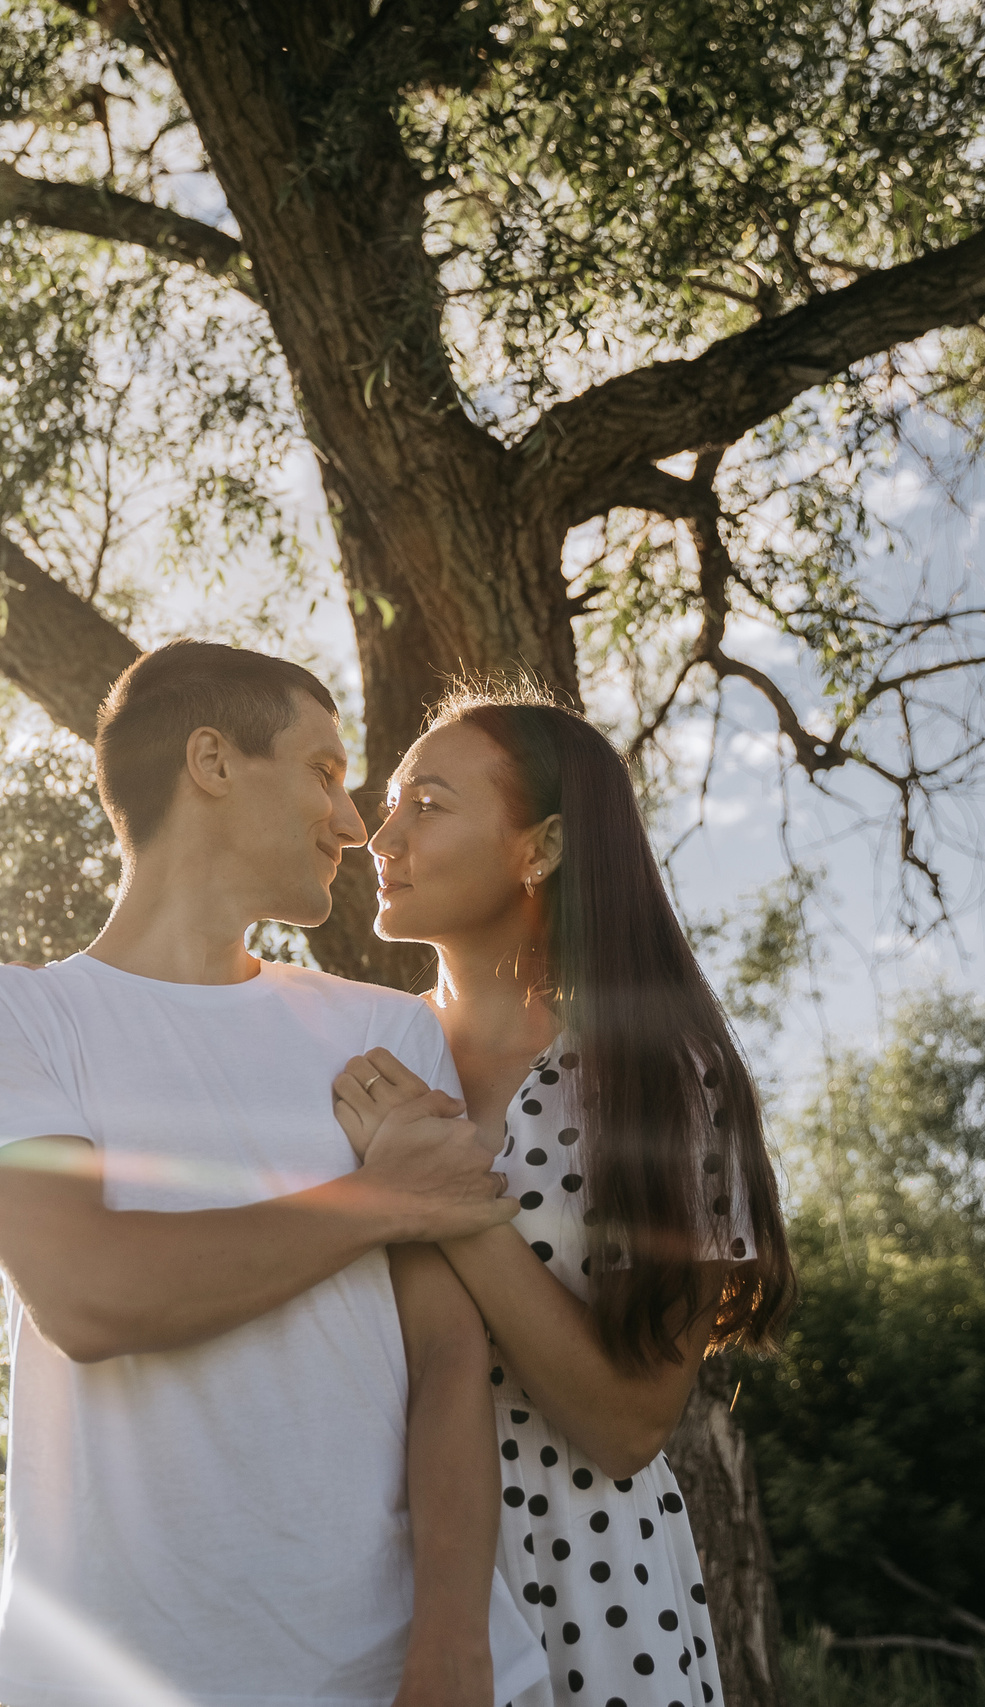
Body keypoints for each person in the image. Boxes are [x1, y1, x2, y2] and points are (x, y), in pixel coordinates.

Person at [0, 641, 553, 1707]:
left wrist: (453, 1650)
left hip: (395, 1672)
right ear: (211, 760)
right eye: (322, 770)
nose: (353, 824)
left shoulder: (384, 1033)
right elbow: (94, 1294)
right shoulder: (1, 1012)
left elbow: (446, 1358)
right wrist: (381, 1202)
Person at [330, 687, 798, 1707]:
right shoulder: (357, 1062)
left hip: (586, 1597)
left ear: (538, 849)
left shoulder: (657, 1079)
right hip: (359, 1584)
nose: (380, 833)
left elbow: (629, 1423)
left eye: (429, 804)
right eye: (391, 802)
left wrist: (455, 1197)